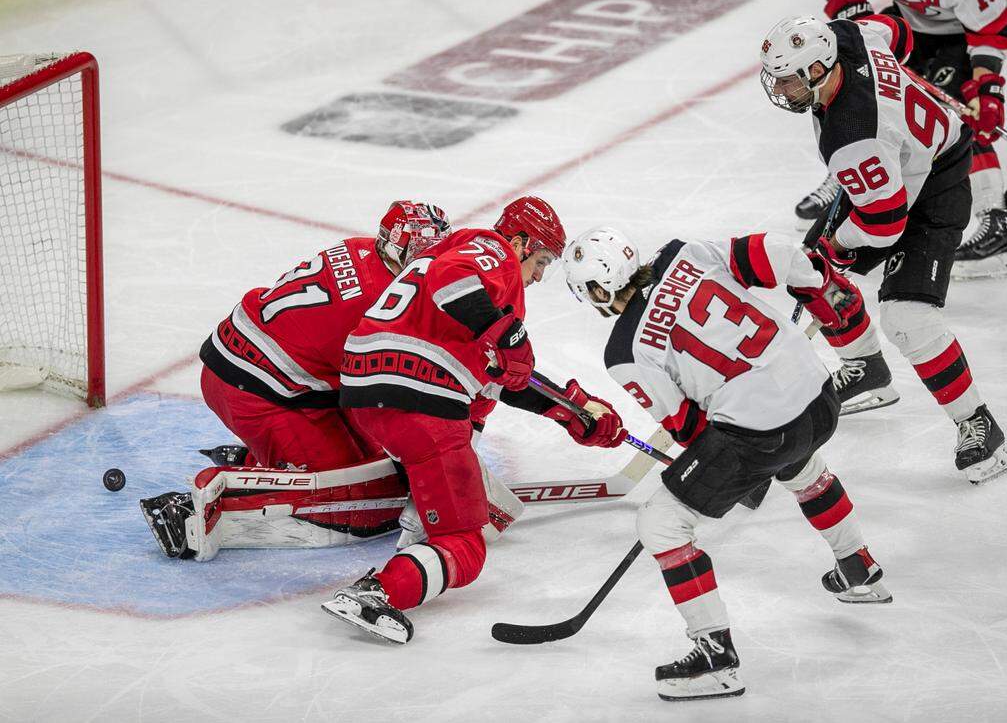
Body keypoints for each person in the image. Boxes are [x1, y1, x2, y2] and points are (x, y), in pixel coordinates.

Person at [563, 226, 891, 701]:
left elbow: (684, 424)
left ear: (598, 289)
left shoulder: (624, 352)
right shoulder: (684, 252)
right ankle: (858, 567)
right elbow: (777, 253)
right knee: (800, 463)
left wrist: (736, 473)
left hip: (763, 432)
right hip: (820, 396)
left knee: (661, 523)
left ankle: (715, 658)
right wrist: (822, 293)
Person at [139, 202, 524, 560]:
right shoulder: (382, 298)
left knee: (376, 461)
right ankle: (194, 512)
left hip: (250, 367)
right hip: (259, 393)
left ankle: (257, 461)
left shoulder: (361, 249)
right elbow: (381, 388)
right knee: (356, 501)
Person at [322, 197, 627, 644]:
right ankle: (376, 592)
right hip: (421, 398)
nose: (540, 274)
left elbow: (498, 377)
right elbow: (455, 282)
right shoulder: (492, 250)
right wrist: (511, 336)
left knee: (440, 490)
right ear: (520, 242)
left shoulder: (444, 256)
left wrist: (571, 410)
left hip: (366, 387)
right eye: (541, 260)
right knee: (465, 544)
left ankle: (415, 541)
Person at [760, 14, 1007, 483]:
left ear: (819, 70)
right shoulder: (847, 34)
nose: (781, 90)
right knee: (808, 271)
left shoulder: (852, 136)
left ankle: (977, 423)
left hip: (935, 183)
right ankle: (867, 367)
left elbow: (883, 223)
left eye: (789, 81)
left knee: (907, 317)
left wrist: (836, 246)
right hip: (900, 162)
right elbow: (900, 31)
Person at [794, 0, 1007, 279]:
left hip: (963, 33)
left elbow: (989, 30)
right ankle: (848, 176)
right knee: (857, 87)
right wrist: (862, 28)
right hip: (907, 22)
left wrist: (986, 90)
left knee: (955, 117)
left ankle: (997, 224)